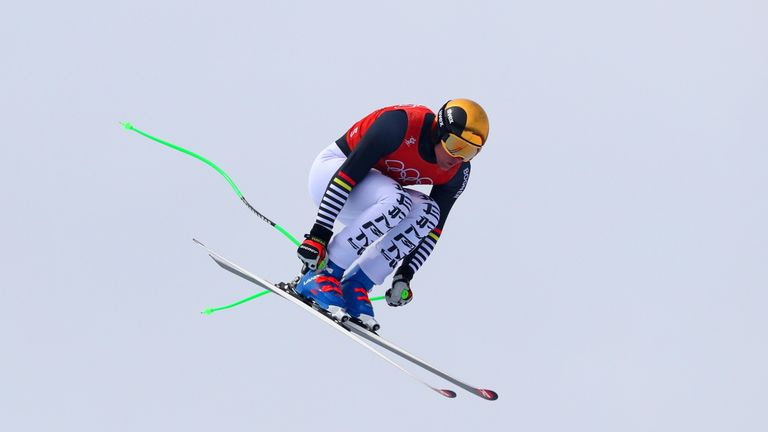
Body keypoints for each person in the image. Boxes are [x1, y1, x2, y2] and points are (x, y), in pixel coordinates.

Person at [295, 99, 489, 331]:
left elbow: (433, 230)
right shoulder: (400, 125)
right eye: (456, 146)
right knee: (398, 200)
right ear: (439, 131)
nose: (458, 158)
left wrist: (405, 274)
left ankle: (357, 283)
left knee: (429, 213)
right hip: (332, 176)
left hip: (376, 200)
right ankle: (321, 274)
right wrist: (318, 235)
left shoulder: (458, 171)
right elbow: (347, 175)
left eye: (469, 152)